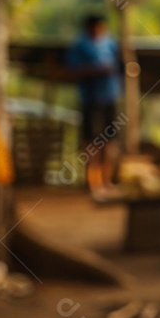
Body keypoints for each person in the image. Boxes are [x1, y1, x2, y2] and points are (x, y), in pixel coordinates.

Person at [66, 14, 122, 195]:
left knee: (110, 142)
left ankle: (107, 180)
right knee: (90, 141)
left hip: (109, 98)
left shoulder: (110, 44)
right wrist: (96, 70)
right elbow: (72, 71)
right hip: (90, 100)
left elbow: (119, 66)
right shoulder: (80, 46)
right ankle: (92, 181)